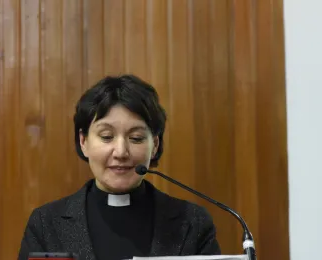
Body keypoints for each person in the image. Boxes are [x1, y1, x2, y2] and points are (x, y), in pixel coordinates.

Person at [17, 74, 221, 260]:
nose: (121, 152)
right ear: (83, 141)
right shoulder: (46, 224)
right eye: (106, 137)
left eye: (136, 138)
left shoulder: (192, 223)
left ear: (155, 145)